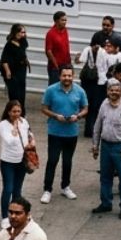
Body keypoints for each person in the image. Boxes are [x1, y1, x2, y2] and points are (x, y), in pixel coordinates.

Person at [91, 79, 121, 219]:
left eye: (117, 90)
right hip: (105, 146)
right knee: (105, 178)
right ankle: (106, 203)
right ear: (107, 92)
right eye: (111, 90)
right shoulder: (104, 104)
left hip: (120, 147)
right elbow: (97, 125)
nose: (114, 93)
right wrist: (95, 145)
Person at [38, 65, 85, 204]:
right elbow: (44, 108)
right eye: (64, 75)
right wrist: (55, 116)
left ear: (73, 76)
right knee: (52, 160)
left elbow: (86, 108)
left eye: (69, 76)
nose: (67, 78)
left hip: (72, 133)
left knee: (67, 161)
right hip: (55, 132)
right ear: (60, 76)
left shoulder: (79, 91)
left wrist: (78, 116)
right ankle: (47, 190)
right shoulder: (51, 90)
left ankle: (65, 187)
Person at [0, 100, 36, 228]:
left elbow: (29, 133)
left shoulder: (24, 122)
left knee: (17, 189)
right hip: (8, 161)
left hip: (21, 160)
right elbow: (9, 140)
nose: (16, 114)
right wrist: (14, 128)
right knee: (8, 188)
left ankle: (17, 214)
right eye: (14, 111)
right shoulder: (3, 124)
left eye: (18, 111)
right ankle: (4, 216)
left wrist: (32, 141)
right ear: (8, 112)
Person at [0, 23, 31, 109]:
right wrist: (7, 71)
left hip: (21, 70)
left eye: (23, 32)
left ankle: (21, 112)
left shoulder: (23, 42)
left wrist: (25, 60)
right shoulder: (9, 45)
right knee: (14, 94)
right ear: (15, 32)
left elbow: (22, 53)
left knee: (21, 93)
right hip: (13, 71)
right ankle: (13, 110)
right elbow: (4, 60)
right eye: (20, 32)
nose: (22, 34)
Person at [43, 11, 71, 84]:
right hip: (55, 67)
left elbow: (66, 47)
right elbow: (48, 51)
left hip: (65, 65)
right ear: (56, 21)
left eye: (65, 20)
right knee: (54, 87)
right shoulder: (51, 33)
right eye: (62, 20)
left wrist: (69, 63)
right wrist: (56, 66)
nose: (65, 22)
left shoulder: (65, 31)